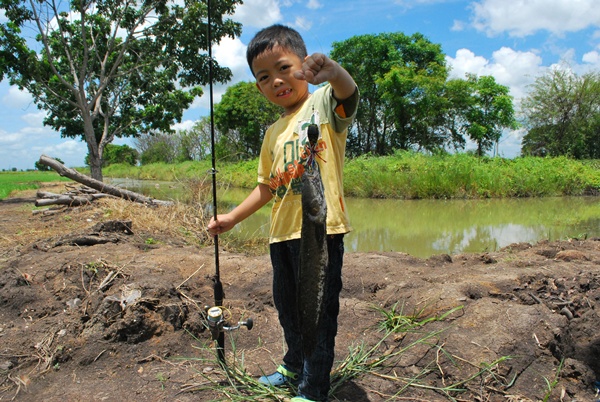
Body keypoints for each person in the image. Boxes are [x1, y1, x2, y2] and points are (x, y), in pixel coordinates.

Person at [207, 24, 358, 402]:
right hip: (281, 236)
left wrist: (334, 71)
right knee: (287, 307)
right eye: (264, 77)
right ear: (258, 87)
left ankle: (312, 388)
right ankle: (293, 364)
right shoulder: (272, 132)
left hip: (321, 234)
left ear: (305, 65)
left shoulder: (322, 102)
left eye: (284, 68)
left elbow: (349, 95)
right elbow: (266, 188)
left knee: (319, 315)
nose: (276, 81)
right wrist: (231, 218)